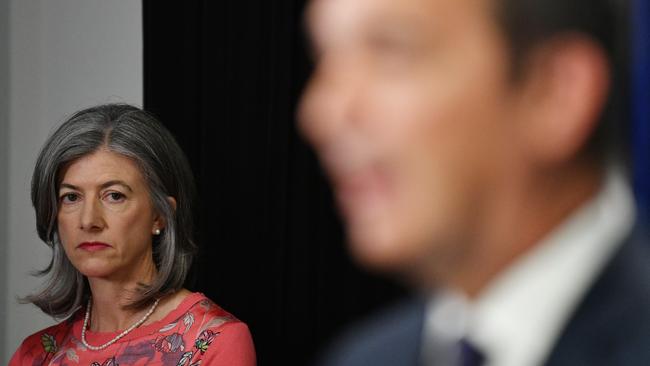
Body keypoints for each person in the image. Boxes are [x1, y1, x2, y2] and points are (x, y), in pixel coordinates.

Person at [299, 0, 650, 365]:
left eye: (390, 50)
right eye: (324, 57)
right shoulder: (362, 359)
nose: (322, 114)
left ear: (554, 91)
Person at [10, 104, 256, 365]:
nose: (88, 220)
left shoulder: (213, 341)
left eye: (114, 196)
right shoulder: (36, 354)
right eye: (71, 197)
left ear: (160, 215)